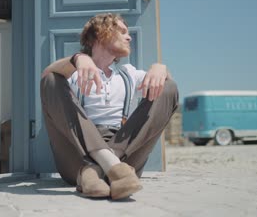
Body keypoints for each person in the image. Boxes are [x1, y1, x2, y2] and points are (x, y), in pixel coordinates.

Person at [40, 13, 179, 200]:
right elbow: (46, 76)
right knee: (51, 80)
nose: (129, 37)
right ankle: (113, 169)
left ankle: (97, 170)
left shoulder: (128, 74)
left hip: (125, 150)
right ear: (99, 33)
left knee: (168, 87)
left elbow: (165, 86)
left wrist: (160, 68)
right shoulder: (72, 73)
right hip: (78, 156)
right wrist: (77, 59)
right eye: (122, 31)